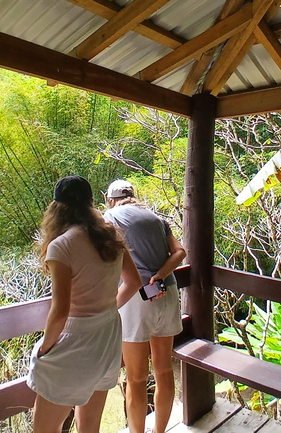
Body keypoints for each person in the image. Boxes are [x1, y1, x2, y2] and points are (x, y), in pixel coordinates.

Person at [27, 175, 142, 433]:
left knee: (44, 429)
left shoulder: (61, 246)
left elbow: (60, 311)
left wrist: (44, 348)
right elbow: (134, 282)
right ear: (91, 204)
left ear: (56, 209)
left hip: (76, 341)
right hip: (108, 335)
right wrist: (108, 307)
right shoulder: (110, 235)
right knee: (90, 428)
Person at [103, 179, 186, 433]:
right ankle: (160, 431)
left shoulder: (109, 218)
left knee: (136, 378)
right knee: (163, 370)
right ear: (132, 196)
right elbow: (180, 252)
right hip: (167, 292)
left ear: (110, 199)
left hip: (135, 299)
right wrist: (159, 276)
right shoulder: (157, 219)